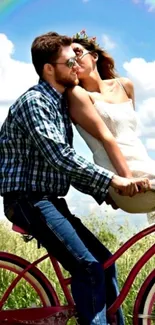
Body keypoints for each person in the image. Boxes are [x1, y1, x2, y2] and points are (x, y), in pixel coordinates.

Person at [0, 31, 149, 325]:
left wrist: (103, 193)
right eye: (69, 62)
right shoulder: (36, 102)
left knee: (105, 264)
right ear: (49, 69)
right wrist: (112, 181)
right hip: (29, 200)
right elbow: (60, 156)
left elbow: (63, 166)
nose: (75, 66)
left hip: (50, 201)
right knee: (89, 268)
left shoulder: (58, 104)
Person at [66, 30, 155, 221]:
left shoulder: (125, 85)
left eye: (78, 52)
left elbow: (130, 136)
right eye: (69, 60)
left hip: (147, 169)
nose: (74, 60)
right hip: (124, 180)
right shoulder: (77, 94)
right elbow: (107, 139)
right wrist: (128, 179)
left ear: (95, 56)